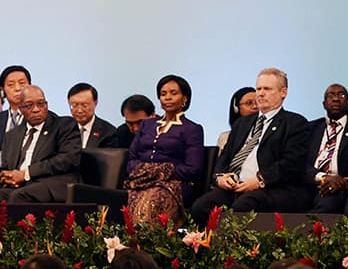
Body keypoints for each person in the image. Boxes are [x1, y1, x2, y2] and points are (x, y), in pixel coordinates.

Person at [189, 68, 309, 225]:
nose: (260, 93)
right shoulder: (242, 123)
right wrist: (220, 177)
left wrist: (260, 180)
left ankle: (234, 248)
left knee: (242, 207)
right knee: (200, 207)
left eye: (267, 89)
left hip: (271, 188)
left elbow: (291, 163)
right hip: (235, 186)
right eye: (259, 88)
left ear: (283, 93)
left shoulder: (295, 123)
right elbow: (226, 156)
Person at [125, 75, 204, 226]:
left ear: (184, 98)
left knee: (150, 202)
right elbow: (132, 159)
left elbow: (193, 169)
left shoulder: (192, 129)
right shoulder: (147, 125)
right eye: (163, 94)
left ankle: (148, 248)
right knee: (119, 200)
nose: (168, 97)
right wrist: (146, 173)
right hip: (140, 181)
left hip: (173, 184)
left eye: (173, 93)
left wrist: (159, 172)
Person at [0, 84, 81, 203]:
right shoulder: (12, 135)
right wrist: (6, 178)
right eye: (29, 105)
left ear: (46, 105)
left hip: (51, 184)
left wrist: (26, 174)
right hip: (21, 186)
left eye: (40, 104)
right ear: (21, 109)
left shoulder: (64, 125)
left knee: (19, 196)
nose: (36, 109)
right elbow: (4, 169)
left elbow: (68, 159)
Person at [304, 83, 348, 214]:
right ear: (324, 104)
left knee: (327, 205)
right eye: (331, 95)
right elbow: (300, 162)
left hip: (339, 188)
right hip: (311, 183)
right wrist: (322, 177)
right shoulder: (310, 128)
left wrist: (341, 182)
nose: (336, 99)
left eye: (341, 95)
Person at [68, 83, 117, 150]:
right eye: (74, 105)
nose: (79, 110)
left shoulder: (108, 132)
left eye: (84, 105)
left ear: (95, 103)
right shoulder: (63, 129)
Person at [216, 86, 257, 153]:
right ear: (236, 108)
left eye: (258, 103)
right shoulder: (226, 137)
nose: (255, 106)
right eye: (249, 103)